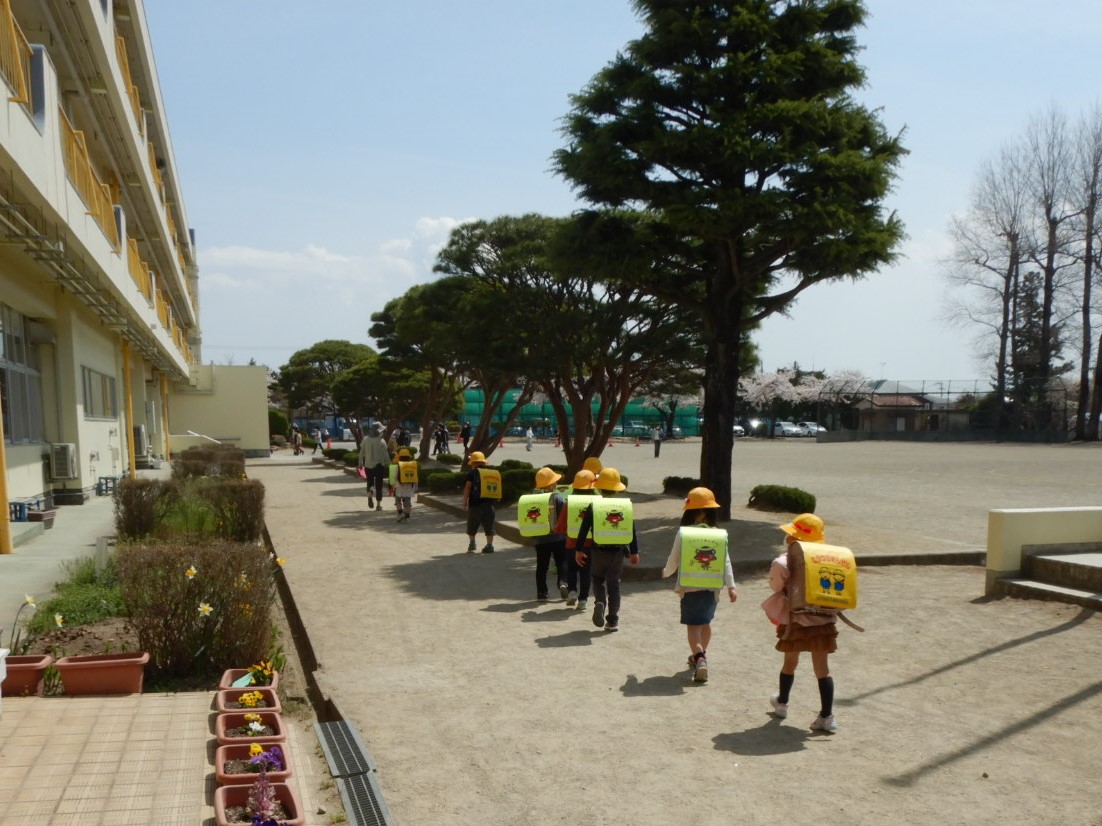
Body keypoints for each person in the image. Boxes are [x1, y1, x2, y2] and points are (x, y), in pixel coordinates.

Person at [763, 513, 839, 733]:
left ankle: (782, 703)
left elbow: (776, 587)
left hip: (795, 620)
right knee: (822, 670)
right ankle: (827, 716)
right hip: (824, 621)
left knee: (790, 662)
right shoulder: (829, 560)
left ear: (794, 539)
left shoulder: (783, 562)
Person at [661, 487, 737, 683]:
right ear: (709, 512)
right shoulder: (719, 535)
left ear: (691, 511)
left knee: (693, 626)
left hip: (690, 587)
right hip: (712, 588)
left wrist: (666, 572)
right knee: (705, 622)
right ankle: (701, 654)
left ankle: (699, 657)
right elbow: (725, 561)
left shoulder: (684, 533)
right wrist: (731, 586)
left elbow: (674, 558)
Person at [572, 467, 640, 632]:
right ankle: (613, 620)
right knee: (614, 584)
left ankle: (600, 602)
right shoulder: (624, 506)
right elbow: (631, 529)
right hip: (617, 553)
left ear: (599, 487)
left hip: (598, 550)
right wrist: (634, 551)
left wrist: (578, 550)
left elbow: (583, 529)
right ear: (617, 488)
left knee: (597, 579)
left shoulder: (594, 505)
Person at [518, 467, 567, 603]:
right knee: (561, 561)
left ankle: (542, 593)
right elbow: (564, 515)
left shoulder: (533, 499)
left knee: (542, 566)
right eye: (554, 482)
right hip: (558, 537)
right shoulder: (557, 498)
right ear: (551, 484)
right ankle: (563, 582)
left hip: (541, 539)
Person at [554, 469, 597, 609]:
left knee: (572, 569)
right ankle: (583, 599)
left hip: (571, 543)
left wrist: (559, 530)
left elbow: (560, 526)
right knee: (586, 571)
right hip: (590, 544)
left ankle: (572, 591)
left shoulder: (569, 503)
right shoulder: (597, 503)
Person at [462, 451, 499, 553]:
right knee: (489, 525)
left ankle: (472, 543)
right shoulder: (491, 472)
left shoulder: (472, 473)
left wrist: (464, 501)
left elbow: (468, 487)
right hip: (489, 504)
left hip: (475, 504)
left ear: (473, 463)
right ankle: (490, 545)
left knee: (472, 524)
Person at [357, 423, 391, 511]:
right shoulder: (382, 441)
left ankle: (369, 495)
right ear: (379, 431)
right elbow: (386, 455)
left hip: (368, 465)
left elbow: (361, 453)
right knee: (379, 485)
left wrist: (360, 463)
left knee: (369, 482)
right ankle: (378, 505)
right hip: (379, 466)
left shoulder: (365, 439)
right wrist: (389, 464)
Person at [393, 447, 418, 522]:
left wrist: (393, 486)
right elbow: (415, 476)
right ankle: (407, 516)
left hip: (400, 486)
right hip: (409, 486)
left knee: (398, 500)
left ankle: (400, 513)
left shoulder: (398, 465)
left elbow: (395, 477)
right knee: (407, 501)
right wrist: (416, 487)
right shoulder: (413, 464)